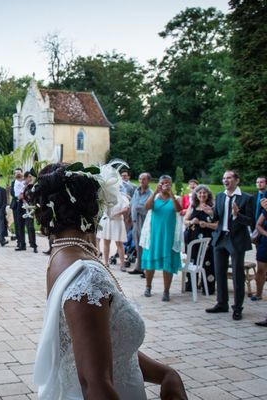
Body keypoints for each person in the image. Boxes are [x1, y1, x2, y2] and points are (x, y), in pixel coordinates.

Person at [30, 162, 187, 400]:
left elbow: (108, 346)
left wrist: (166, 374)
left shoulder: (62, 255)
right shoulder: (86, 276)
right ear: (92, 207)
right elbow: (94, 384)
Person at [206, 170, 255, 321]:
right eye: (224, 178)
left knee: (237, 275)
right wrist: (210, 213)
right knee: (219, 271)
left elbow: (250, 221)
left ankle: (238, 308)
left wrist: (237, 215)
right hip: (220, 238)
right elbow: (216, 217)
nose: (225, 180)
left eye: (229, 178)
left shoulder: (246, 198)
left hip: (237, 239)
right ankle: (222, 303)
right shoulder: (220, 196)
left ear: (236, 180)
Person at [140, 175, 182, 301]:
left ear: (171, 184)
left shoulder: (176, 198)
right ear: (159, 184)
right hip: (154, 235)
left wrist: (171, 194)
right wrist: (155, 193)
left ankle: (166, 291)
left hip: (169, 236)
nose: (165, 185)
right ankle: (148, 286)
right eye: (163, 183)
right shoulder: (155, 197)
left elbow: (178, 209)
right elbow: (146, 207)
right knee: (150, 262)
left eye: (167, 183)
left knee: (167, 264)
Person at [183, 185, 217, 294]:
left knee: (208, 261)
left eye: (204, 193)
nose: (202, 195)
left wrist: (206, 224)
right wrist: (191, 222)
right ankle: (191, 285)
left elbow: (217, 225)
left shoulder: (212, 207)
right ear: (196, 195)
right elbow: (185, 220)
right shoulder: (193, 206)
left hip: (208, 239)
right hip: (192, 239)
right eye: (200, 193)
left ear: (208, 194)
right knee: (193, 260)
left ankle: (208, 286)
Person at [97, 191, 130, 272]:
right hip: (107, 220)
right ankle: (106, 263)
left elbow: (126, 208)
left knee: (119, 243)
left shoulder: (122, 197)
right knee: (106, 242)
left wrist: (116, 213)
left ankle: (122, 264)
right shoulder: (105, 196)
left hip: (117, 221)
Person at [128, 172, 152, 274]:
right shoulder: (136, 191)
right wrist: (129, 216)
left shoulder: (151, 193)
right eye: (140, 179)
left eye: (144, 179)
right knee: (137, 245)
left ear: (148, 180)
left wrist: (140, 209)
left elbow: (150, 209)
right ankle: (139, 267)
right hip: (135, 222)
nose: (142, 181)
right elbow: (132, 204)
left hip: (145, 222)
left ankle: (147, 270)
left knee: (145, 245)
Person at [10, 168, 27, 250]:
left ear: (22, 173)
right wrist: (17, 196)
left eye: (18, 172)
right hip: (15, 205)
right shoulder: (13, 182)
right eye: (16, 173)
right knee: (17, 225)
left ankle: (23, 243)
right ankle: (19, 242)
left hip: (24, 205)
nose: (17, 174)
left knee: (23, 225)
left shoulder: (25, 182)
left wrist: (22, 196)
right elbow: (12, 192)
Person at [24, 170, 38, 253]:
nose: (30, 178)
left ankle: (34, 245)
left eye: (31, 176)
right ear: (26, 178)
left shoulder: (33, 186)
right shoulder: (24, 185)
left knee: (30, 226)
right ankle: (29, 242)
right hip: (23, 207)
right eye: (29, 176)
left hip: (31, 207)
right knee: (27, 226)